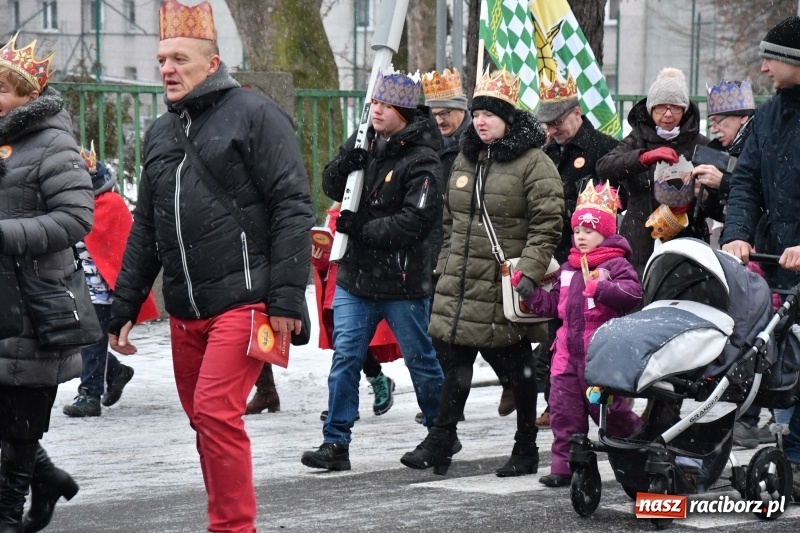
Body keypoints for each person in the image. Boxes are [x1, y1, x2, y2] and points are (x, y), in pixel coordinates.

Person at [107, 2, 314, 531]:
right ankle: (224, 518)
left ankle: (232, 527)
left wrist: (288, 297)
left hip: (246, 300)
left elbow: (293, 205)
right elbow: (147, 228)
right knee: (203, 420)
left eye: (179, 58)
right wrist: (124, 304)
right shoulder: (159, 132)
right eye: (161, 59)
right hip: (185, 309)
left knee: (217, 414)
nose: (167, 69)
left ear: (212, 62)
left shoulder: (256, 114)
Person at [400, 67, 564, 477]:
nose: (480, 121)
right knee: (456, 363)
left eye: (489, 114)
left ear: (508, 117)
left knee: (517, 368)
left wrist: (529, 269)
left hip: (504, 285)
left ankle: (526, 446)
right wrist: (444, 267)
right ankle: (441, 440)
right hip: (461, 282)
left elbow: (548, 223)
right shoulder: (465, 158)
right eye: (476, 114)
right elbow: (451, 221)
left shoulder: (534, 163)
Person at [301, 68, 444, 472]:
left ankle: (440, 433)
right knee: (346, 357)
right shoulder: (365, 139)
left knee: (421, 359)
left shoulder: (424, 160)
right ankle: (336, 442)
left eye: (383, 104)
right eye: (373, 103)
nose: (375, 110)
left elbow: (414, 222)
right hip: (356, 278)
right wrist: (349, 160)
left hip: (401, 281)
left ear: (402, 109)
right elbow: (332, 183)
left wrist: (361, 229)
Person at [0, 34, 92, 532]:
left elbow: (76, 218)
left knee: (19, 420)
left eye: (1, 89)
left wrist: (3, 235)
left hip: (36, 301)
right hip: (1, 298)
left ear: (30, 97)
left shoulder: (55, 143)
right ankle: (49, 477)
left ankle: (8, 515)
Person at [718, 15, 800, 497]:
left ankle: (795, 457)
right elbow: (746, 181)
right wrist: (737, 234)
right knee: (779, 360)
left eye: (772, 58)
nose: (764, 68)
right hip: (775, 260)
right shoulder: (769, 116)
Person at [515, 180, 643, 487]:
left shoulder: (616, 264)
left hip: (601, 356)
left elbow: (632, 295)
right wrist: (530, 294)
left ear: (606, 232)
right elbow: (552, 307)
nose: (582, 236)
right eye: (578, 231)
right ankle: (566, 465)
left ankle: (637, 445)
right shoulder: (569, 268)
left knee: (609, 411)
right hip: (566, 358)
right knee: (564, 412)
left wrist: (602, 288)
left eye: (589, 230)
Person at [422, 67, 513, 419]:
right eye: (435, 114)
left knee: (474, 332)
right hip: (440, 248)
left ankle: (509, 379)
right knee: (445, 334)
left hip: (475, 250)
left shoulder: (473, 147)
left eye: (447, 113)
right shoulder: (431, 142)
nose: (440, 119)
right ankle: (452, 405)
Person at [534, 73, 620, 429]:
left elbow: (616, 204)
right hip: (556, 256)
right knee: (559, 334)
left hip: (594, 259)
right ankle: (557, 401)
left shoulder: (603, 148)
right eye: (548, 125)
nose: (553, 131)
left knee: (592, 334)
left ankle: (604, 405)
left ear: (577, 112)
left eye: (557, 123)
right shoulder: (544, 154)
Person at [691, 79, 772, 448]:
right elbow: (728, 207)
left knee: (760, 333)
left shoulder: (758, 143)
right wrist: (702, 195)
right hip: (741, 252)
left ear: (742, 118)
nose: (714, 130)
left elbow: (759, 194)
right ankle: (748, 413)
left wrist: (724, 183)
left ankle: (755, 415)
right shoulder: (725, 149)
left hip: (764, 253)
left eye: (720, 121)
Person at [62, 143, 160, 417]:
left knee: (91, 339)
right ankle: (116, 371)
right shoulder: (68, 209)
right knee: (81, 342)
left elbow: (123, 253)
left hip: (103, 292)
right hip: (75, 289)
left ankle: (89, 395)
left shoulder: (111, 204)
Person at [596, 67, 712, 277]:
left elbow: (719, 196)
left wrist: (696, 200)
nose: (668, 114)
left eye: (675, 108)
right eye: (660, 108)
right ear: (650, 109)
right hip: (639, 238)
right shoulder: (637, 138)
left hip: (687, 239)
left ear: (685, 109)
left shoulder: (701, 144)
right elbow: (604, 167)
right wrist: (642, 158)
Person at [314, 202, 401, 420]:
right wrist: (318, 255)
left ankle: (349, 401)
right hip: (336, 288)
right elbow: (327, 260)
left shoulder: (369, 210)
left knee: (350, 345)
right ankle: (347, 402)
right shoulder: (332, 216)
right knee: (344, 348)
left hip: (358, 286)